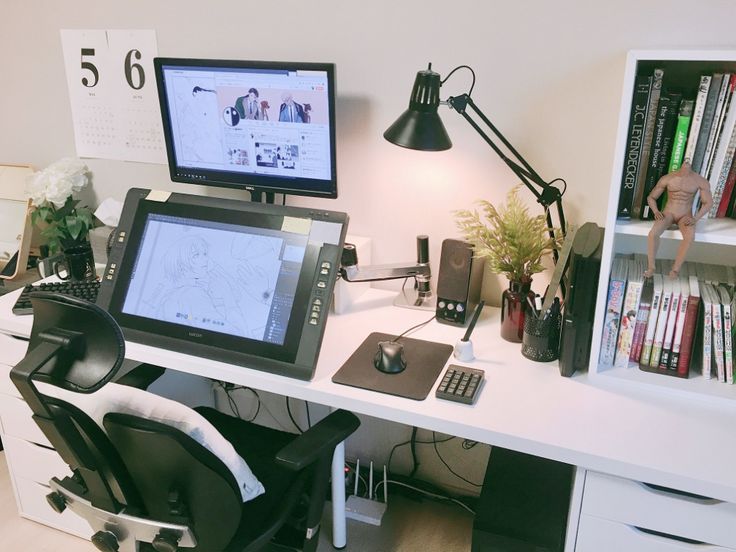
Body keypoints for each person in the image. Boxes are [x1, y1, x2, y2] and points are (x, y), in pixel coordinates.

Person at [644, 162, 712, 278]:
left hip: (685, 215)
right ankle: (651, 267)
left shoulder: (700, 180)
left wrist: (695, 218)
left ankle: (675, 270)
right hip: (668, 213)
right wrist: (655, 211)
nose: (687, 164)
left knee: (689, 237)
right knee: (653, 234)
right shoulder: (667, 178)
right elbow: (651, 197)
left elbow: (708, 203)